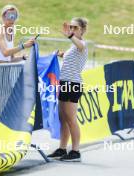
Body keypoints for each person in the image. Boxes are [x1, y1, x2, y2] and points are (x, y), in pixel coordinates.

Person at [47, 17, 88, 162]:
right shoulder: (73, 46)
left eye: (75, 27)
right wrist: (62, 55)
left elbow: (81, 47)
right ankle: (62, 148)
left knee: (71, 119)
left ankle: (76, 151)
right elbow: (73, 57)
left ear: (82, 30)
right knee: (62, 118)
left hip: (73, 84)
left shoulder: (82, 43)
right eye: (71, 27)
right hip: (64, 83)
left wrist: (70, 36)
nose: (72, 29)